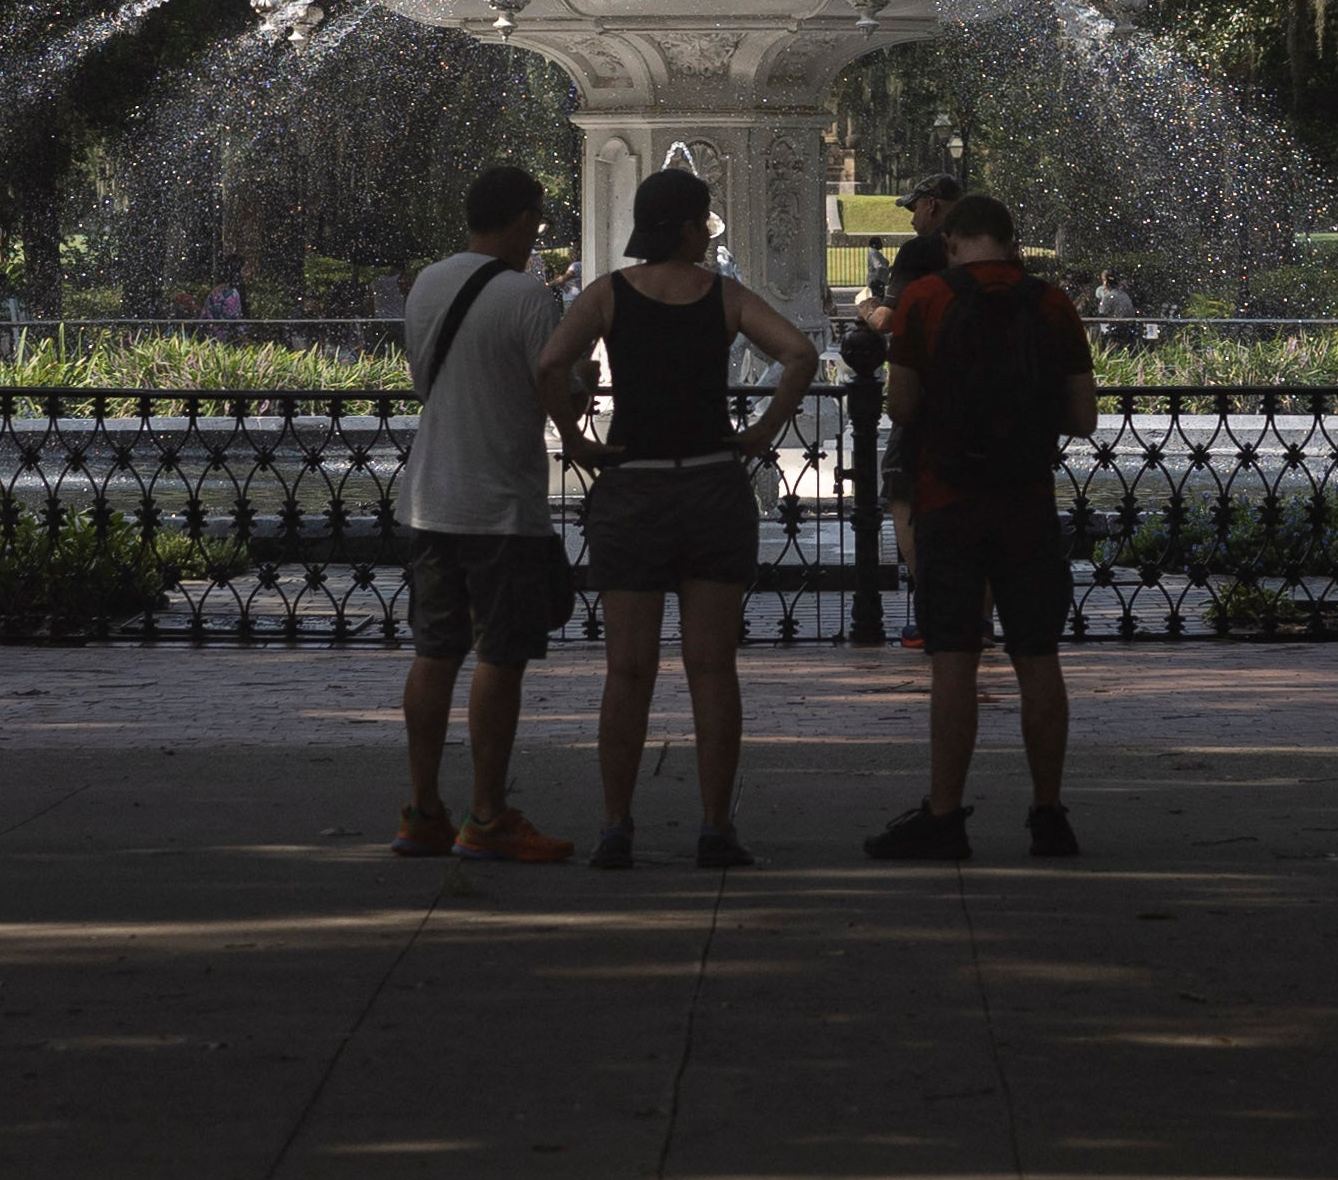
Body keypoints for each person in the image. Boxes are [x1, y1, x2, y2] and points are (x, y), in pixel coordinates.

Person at [534, 165, 824, 870]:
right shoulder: (722, 297)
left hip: (631, 488)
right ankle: (716, 826)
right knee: (712, 668)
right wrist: (761, 432)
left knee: (626, 670)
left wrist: (575, 440)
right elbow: (799, 353)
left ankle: (614, 825)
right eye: (704, 222)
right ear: (691, 226)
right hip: (710, 487)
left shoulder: (606, 295)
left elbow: (549, 364)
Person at [869, 192, 1099, 862]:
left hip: (947, 500)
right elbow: (1082, 417)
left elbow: (901, 403)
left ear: (951, 241)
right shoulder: (1051, 303)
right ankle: (1048, 813)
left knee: (953, 662)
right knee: (1036, 657)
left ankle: (944, 816)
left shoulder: (926, 299)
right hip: (1026, 500)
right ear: (1009, 239)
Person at [393, 165, 577, 864]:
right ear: (524, 220)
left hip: (431, 498)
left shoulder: (428, 283)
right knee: (499, 656)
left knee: (433, 653)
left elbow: (421, 380)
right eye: (536, 222)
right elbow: (554, 390)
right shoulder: (529, 296)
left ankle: (421, 811)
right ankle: (489, 814)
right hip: (502, 505)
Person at [866, 177, 967, 648]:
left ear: (931, 206)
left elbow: (892, 319)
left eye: (914, 209)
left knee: (902, 489)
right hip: (982, 398)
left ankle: (930, 610)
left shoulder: (921, 251)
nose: (911, 218)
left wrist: (866, 307)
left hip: (925, 393)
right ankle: (977, 621)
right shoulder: (992, 256)